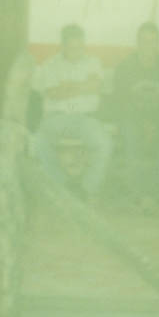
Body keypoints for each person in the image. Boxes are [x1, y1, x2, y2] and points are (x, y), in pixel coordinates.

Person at [32, 24, 112, 201]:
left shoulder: (93, 62)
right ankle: (62, 185)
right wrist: (83, 86)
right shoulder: (51, 65)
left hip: (86, 118)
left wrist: (67, 87)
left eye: (80, 47)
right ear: (63, 46)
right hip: (56, 118)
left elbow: (95, 86)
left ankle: (87, 189)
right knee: (39, 142)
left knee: (104, 143)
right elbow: (53, 93)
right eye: (72, 47)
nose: (77, 52)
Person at [114, 22, 159, 212]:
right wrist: (143, 123)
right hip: (133, 119)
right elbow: (120, 103)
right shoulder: (125, 67)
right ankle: (136, 194)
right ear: (137, 43)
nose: (148, 46)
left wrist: (154, 123)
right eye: (144, 41)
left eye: (153, 41)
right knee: (130, 132)